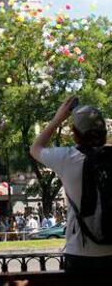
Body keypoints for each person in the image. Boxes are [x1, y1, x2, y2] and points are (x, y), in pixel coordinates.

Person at [31, 96, 112, 275]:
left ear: (75, 133)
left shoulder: (67, 158)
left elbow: (35, 148)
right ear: (104, 132)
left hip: (80, 252)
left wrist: (57, 119)